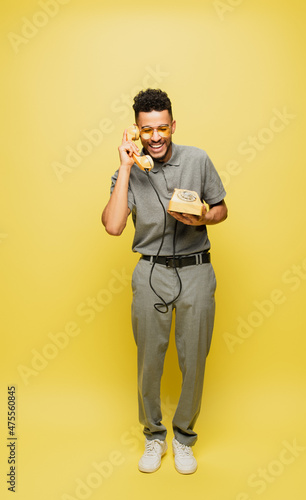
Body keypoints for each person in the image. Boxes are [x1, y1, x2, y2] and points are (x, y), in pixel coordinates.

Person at [102, 88, 228, 474]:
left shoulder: (198, 159)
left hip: (195, 268)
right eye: (146, 130)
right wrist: (124, 167)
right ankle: (154, 436)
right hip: (150, 271)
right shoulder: (129, 170)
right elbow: (113, 225)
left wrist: (204, 217)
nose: (155, 137)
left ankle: (184, 437)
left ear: (173, 126)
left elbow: (222, 208)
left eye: (161, 128)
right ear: (136, 132)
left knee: (194, 359)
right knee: (149, 360)